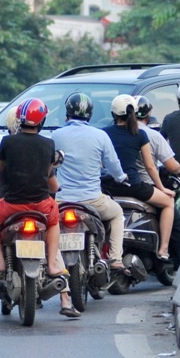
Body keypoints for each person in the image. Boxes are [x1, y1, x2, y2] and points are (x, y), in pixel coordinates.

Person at [0, 107, 79, 319]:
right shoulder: (48, 144)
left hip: (10, 208)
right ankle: (65, 296)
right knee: (53, 233)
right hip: (41, 207)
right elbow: (52, 185)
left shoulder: (4, 146)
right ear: (41, 122)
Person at [51, 92, 127, 274]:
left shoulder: (56, 135)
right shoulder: (100, 136)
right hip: (93, 200)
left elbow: (50, 165)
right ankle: (115, 258)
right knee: (117, 214)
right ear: (90, 114)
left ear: (67, 113)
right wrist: (122, 177)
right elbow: (114, 167)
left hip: (62, 201)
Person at [101, 94, 175, 263]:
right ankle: (163, 249)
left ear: (113, 114)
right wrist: (162, 188)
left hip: (109, 186)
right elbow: (150, 166)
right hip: (133, 186)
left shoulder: (104, 133)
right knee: (169, 202)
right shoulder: (140, 134)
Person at [135, 96, 180, 268]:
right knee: (171, 207)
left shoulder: (112, 133)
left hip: (115, 185)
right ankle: (165, 250)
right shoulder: (150, 135)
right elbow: (164, 166)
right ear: (148, 115)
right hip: (143, 186)